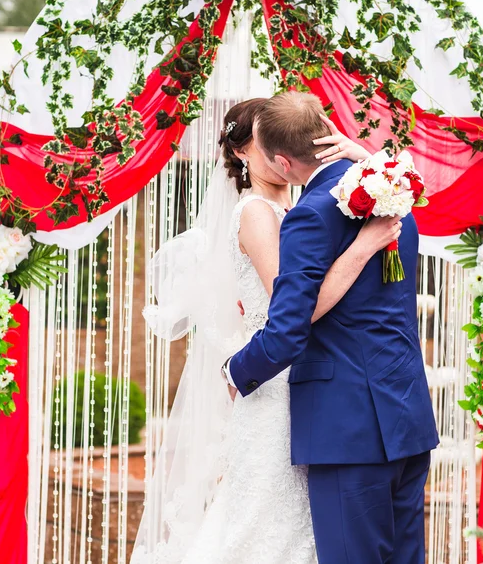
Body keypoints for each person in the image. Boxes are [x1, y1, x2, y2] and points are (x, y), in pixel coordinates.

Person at [132, 96, 403, 564]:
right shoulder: (256, 213)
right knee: (265, 522)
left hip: (308, 380)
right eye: (264, 144)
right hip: (275, 383)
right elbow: (293, 309)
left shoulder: (310, 207)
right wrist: (361, 247)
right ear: (243, 153)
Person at [224, 92, 439, 564]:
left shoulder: (309, 216)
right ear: (329, 135)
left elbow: (286, 331)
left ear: (283, 160)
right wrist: (366, 159)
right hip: (406, 415)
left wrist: (236, 371)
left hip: (347, 428)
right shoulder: (396, 197)